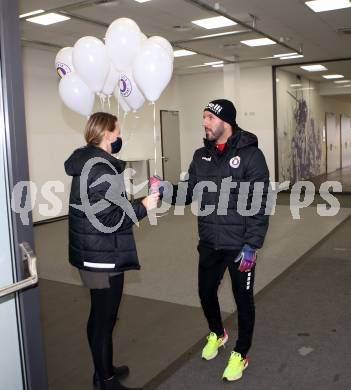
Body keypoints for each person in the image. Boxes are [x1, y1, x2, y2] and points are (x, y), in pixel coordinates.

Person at [152, 99, 270, 382]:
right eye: (203, 117)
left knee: (243, 301)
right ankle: (218, 334)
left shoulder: (252, 156)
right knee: (206, 294)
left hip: (240, 246)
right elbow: (189, 193)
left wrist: (252, 245)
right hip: (209, 241)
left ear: (225, 122)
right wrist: (166, 190)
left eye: (209, 118)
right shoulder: (199, 156)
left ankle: (241, 353)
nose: (204, 123)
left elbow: (261, 202)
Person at [64, 112, 159, 390]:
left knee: (102, 316)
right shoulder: (99, 168)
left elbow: (105, 206)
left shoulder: (89, 161)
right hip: (100, 255)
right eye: (117, 132)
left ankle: (103, 369)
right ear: (106, 134)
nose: (119, 137)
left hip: (94, 251)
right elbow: (107, 220)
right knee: (104, 319)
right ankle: (105, 380)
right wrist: (143, 207)